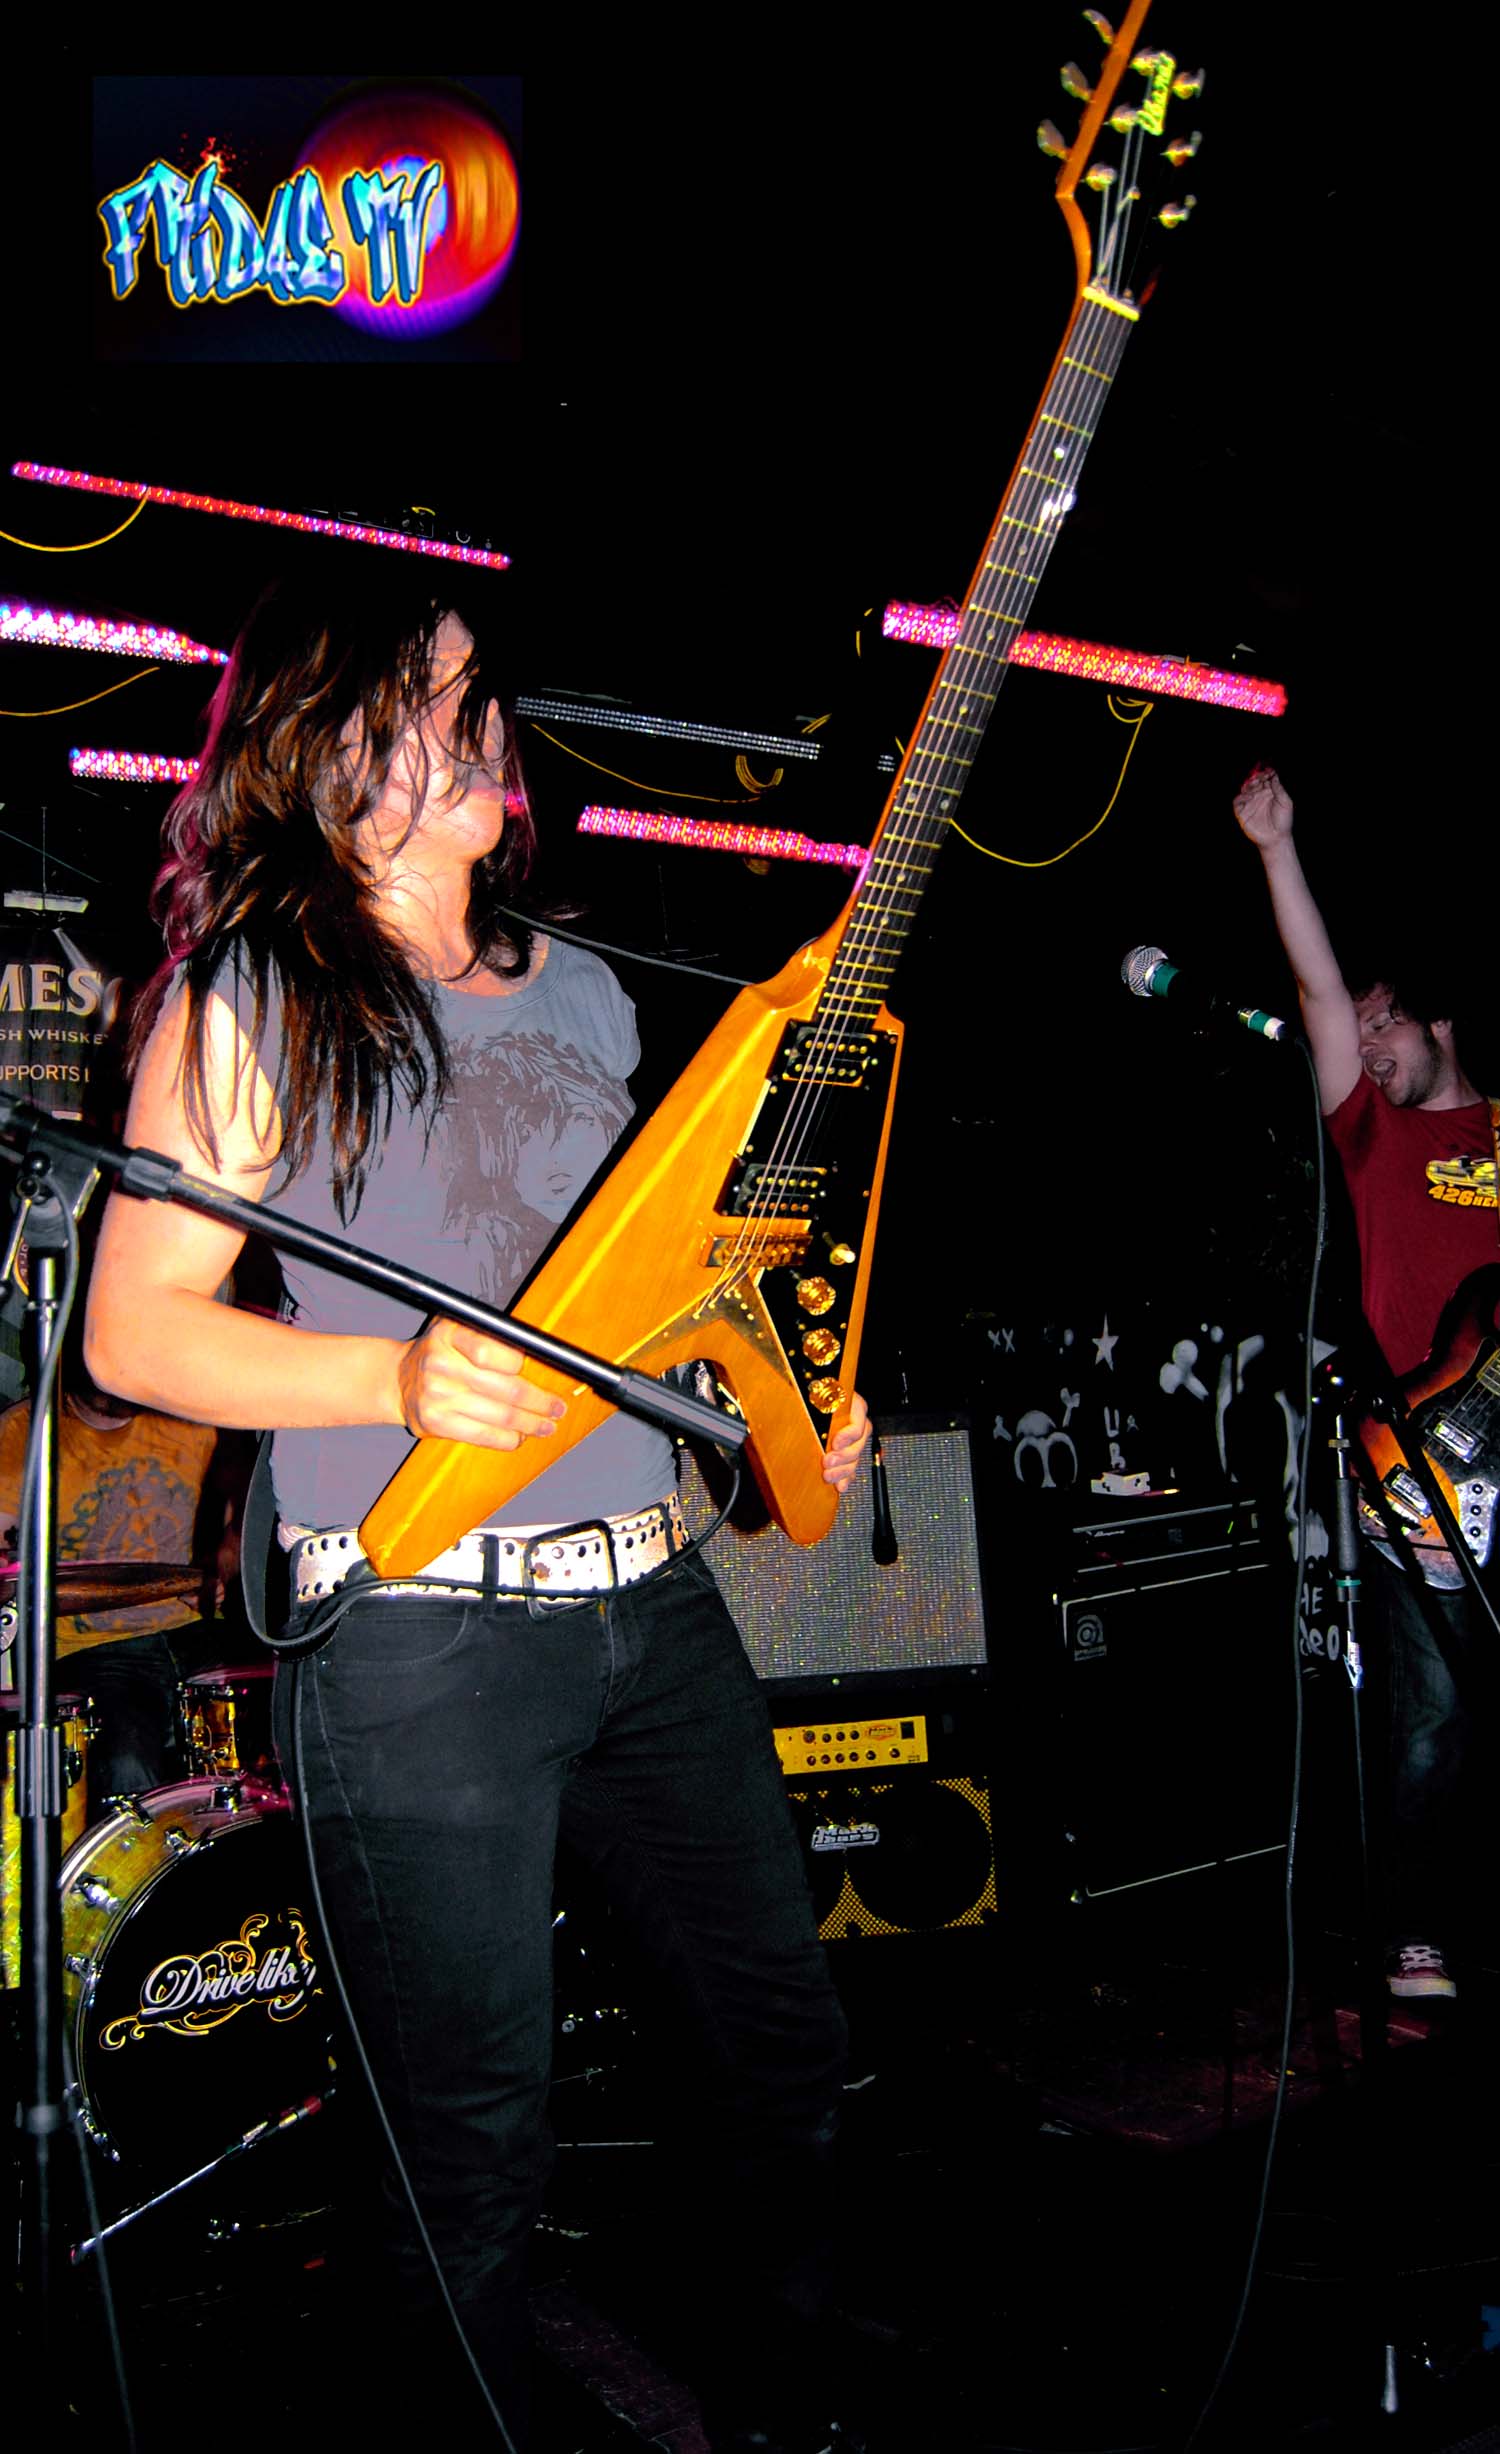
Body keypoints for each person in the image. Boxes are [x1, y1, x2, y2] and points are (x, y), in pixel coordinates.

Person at [84, 570, 872, 2453]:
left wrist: (770, 1417)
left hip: (652, 1604)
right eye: (419, 704)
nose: (470, 728)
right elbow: (133, 1327)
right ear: (325, 750)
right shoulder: (256, 996)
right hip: (422, 1630)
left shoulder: (588, 987)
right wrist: (394, 1379)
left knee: (781, 2051)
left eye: (471, 693)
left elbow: (656, 1309)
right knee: (467, 2151)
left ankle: (785, 2412)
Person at [1234, 763, 1497, 2002]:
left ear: (1440, 1025)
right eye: (1365, 1031)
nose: (1370, 1048)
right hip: (1420, 1462)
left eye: (1388, 1026)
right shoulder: (1374, 1134)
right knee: (1429, 1713)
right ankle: (1415, 1933)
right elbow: (1317, 996)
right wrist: (1276, 850)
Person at [0, 1339, 245, 1804]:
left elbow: (243, 1509)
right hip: (95, 1651)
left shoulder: (187, 1414)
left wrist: (226, 1556)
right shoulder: (22, 1433)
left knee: (268, 1743)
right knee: (128, 1763)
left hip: (200, 1632)